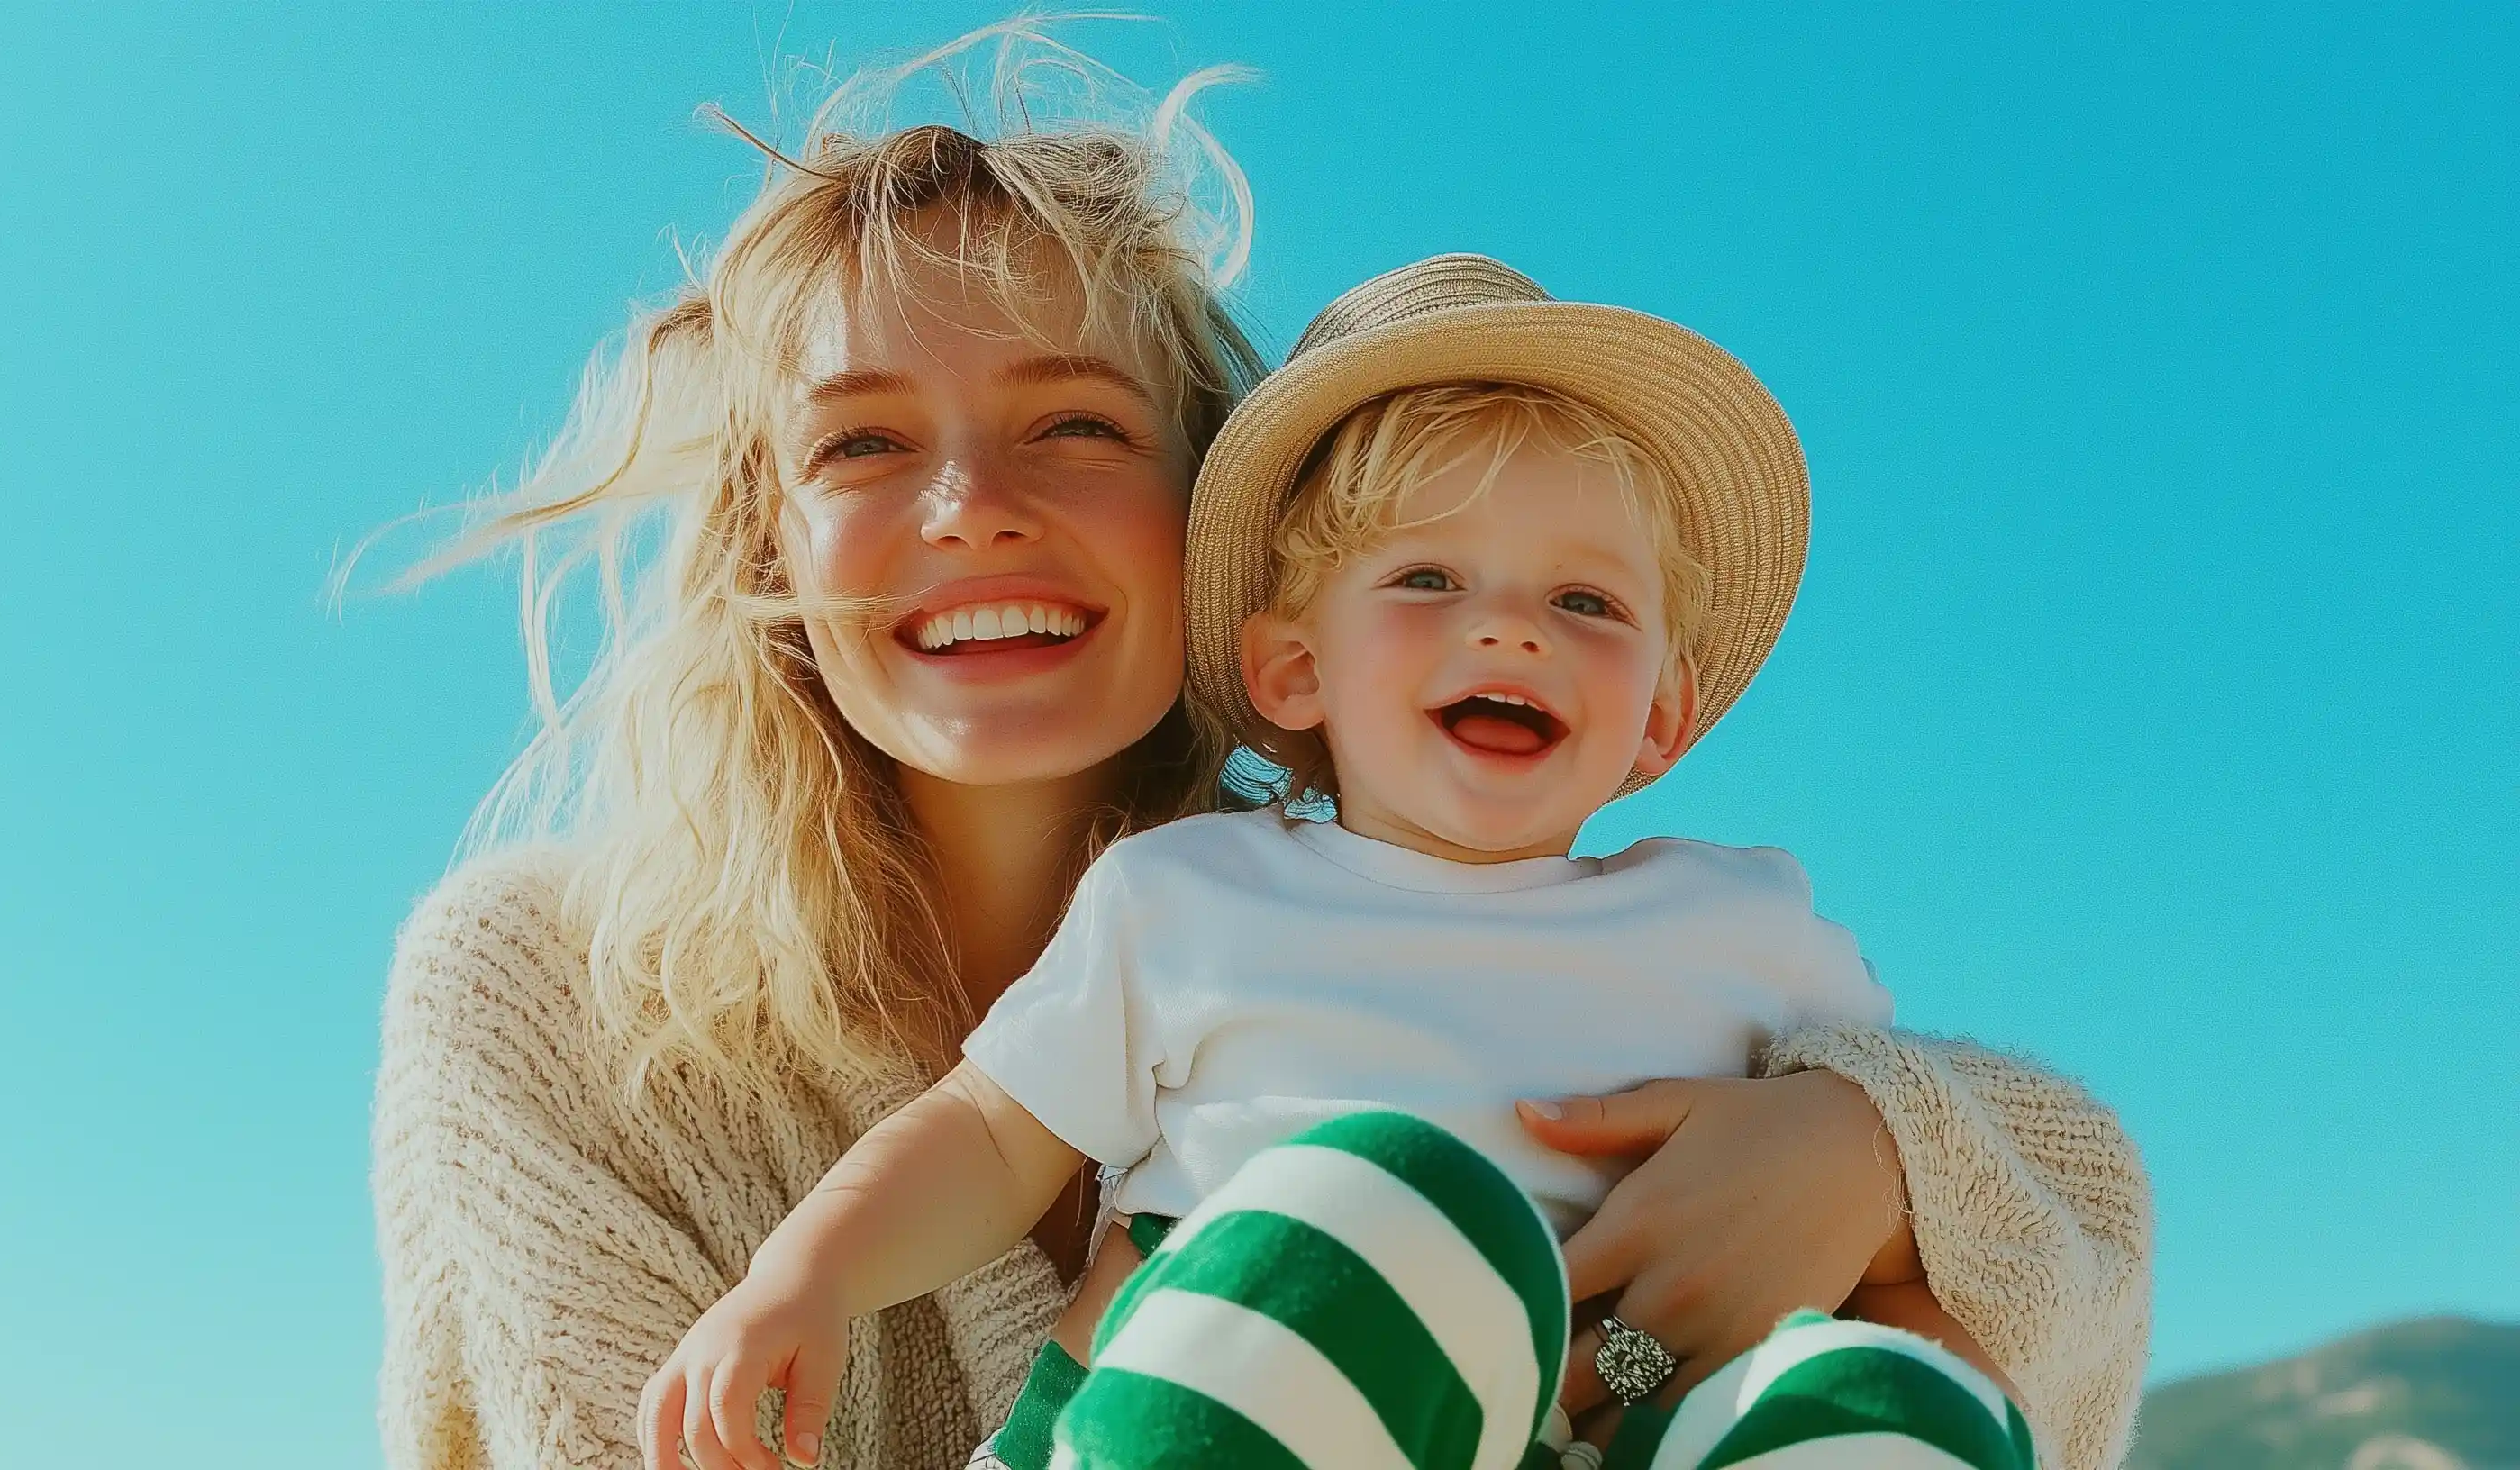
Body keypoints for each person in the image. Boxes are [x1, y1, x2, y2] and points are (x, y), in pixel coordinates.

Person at [370, 26, 2150, 1470]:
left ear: (1206, 517)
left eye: (1075, 421)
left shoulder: (1482, 895)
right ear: (769, 548)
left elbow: (2075, 1218)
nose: (973, 509)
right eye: (860, 446)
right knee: (1386, 1211)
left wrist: (1864, 1151)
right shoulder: (548, 989)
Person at [641, 254, 2042, 1470]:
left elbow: (1911, 1222)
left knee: (1884, 1402)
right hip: (1205, 1400)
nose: (1510, 632)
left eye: (1585, 600)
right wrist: (805, 1274)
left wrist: (1789, 1358)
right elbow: (993, 1135)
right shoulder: (1191, 896)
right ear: (1294, 668)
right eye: (1427, 582)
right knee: (1382, 1209)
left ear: (1664, 714)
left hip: (1606, 1422)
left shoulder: (1750, 929)